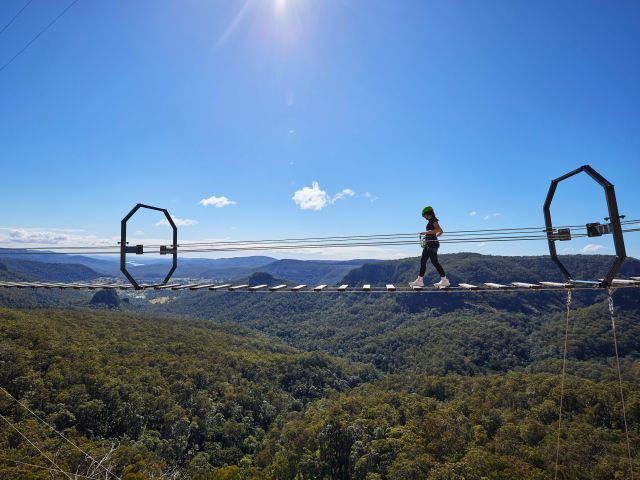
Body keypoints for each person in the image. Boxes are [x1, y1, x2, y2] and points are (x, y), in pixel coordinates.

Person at [409, 206, 450, 288]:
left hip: (432, 245)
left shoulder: (434, 220)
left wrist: (427, 233)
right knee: (423, 261)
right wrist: (433, 237)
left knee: (434, 262)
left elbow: (439, 230)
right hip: (429, 244)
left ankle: (445, 280)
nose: (424, 217)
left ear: (428, 214)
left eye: (424, 215)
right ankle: (419, 280)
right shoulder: (431, 221)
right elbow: (439, 232)